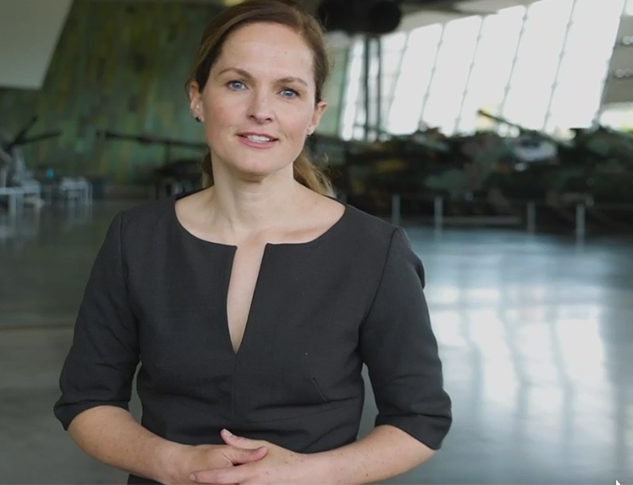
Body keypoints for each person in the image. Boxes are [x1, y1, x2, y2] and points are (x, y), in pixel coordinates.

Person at [53, 1, 451, 483]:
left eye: (288, 91)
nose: (261, 111)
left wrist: (307, 474)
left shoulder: (374, 251)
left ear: (313, 114)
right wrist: (173, 463)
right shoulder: (136, 240)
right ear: (198, 98)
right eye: (238, 84)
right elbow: (87, 400)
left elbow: (419, 419)